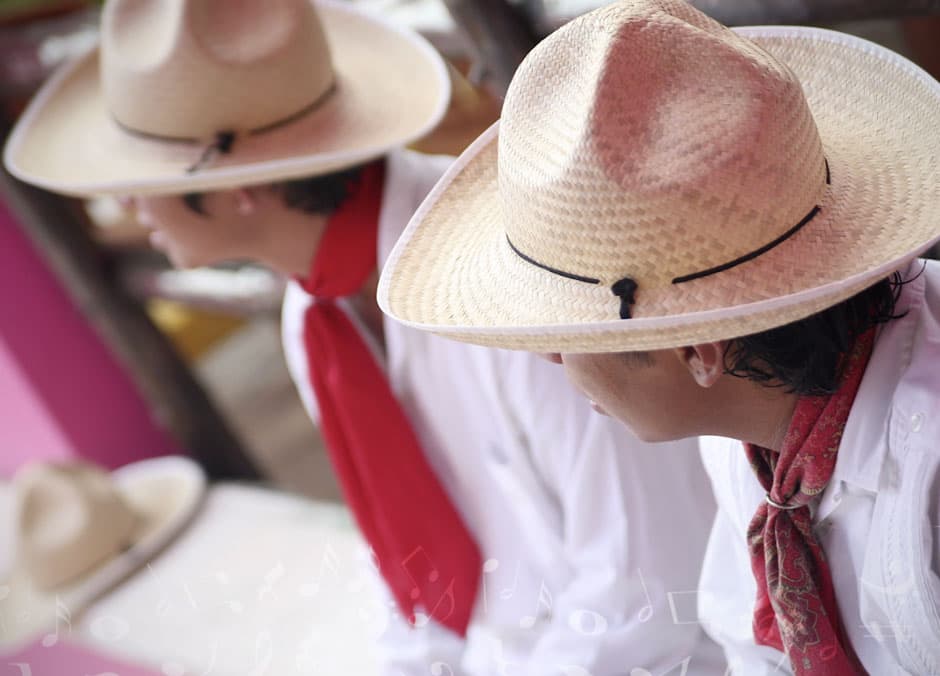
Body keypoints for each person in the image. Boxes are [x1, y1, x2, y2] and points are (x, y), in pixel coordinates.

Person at [4, 0, 725, 673]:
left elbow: (649, 589)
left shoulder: (508, 276)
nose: (122, 202)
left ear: (238, 188)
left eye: (138, 174)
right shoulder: (314, 315)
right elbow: (410, 567)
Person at [376, 0, 940, 674]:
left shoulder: (926, 465)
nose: (547, 355)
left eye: (565, 329)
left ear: (699, 349)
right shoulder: (747, 441)